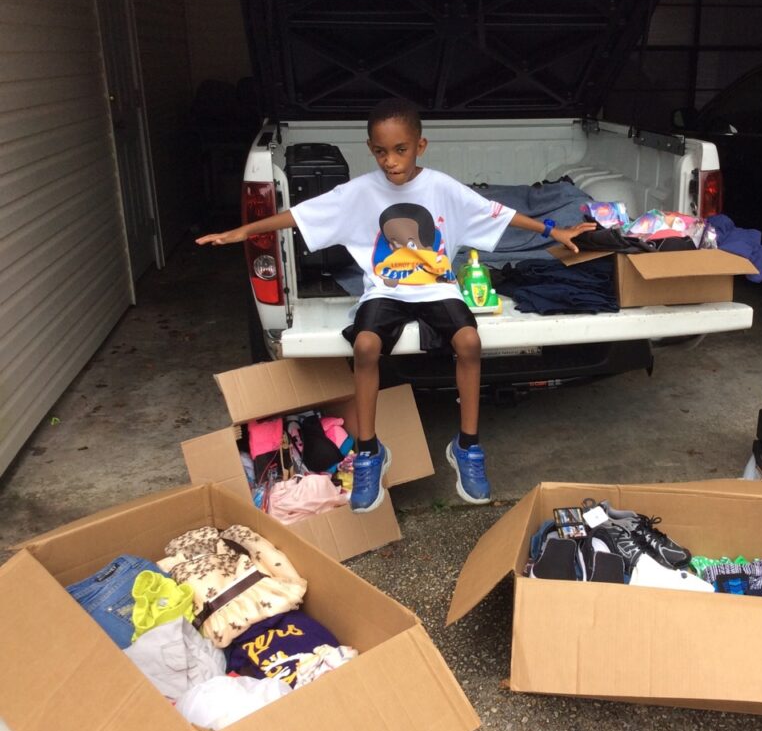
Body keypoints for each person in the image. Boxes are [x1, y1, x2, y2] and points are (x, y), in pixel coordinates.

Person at [197, 97, 595, 513]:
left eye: (400, 149)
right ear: (371, 149)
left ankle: (467, 448)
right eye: (381, 151)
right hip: (385, 291)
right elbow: (300, 215)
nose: (391, 161)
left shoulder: (441, 186)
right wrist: (242, 231)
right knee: (366, 346)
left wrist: (554, 229)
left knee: (469, 342)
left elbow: (497, 212)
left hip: (437, 288)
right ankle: (369, 452)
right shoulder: (360, 191)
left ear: (419, 146)